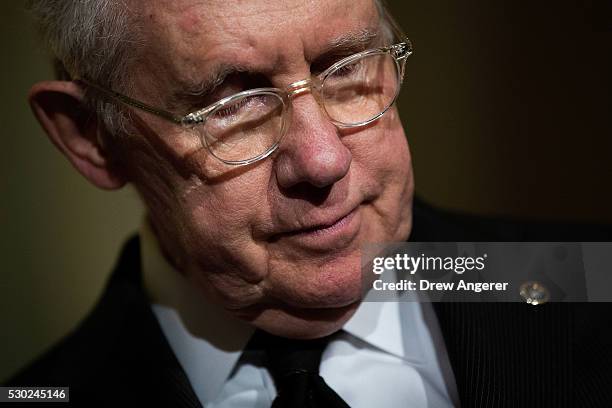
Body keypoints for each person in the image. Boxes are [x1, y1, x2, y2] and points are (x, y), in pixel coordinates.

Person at [7, 0, 612, 406]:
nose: (323, 160)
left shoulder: (587, 284)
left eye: (346, 67)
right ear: (91, 138)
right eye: (233, 105)